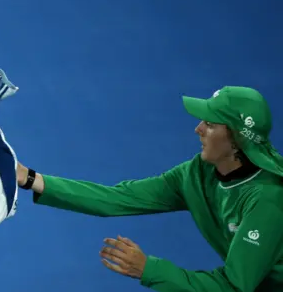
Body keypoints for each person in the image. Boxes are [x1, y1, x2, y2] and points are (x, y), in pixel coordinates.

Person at [17, 86, 283, 292]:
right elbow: (118, 198)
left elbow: (234, 287)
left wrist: (149, 269)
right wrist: (30, 178)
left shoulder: (268, 199)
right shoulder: (197, 174)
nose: (197, 129)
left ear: (236, 139)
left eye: (210, 124)